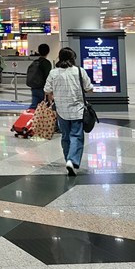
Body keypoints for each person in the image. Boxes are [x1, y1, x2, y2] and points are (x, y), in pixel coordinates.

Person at [44, 47, 93, 176]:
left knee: (65, 136)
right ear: (73, 58)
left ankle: (68, 160)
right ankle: (72, 160)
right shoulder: (79, 71)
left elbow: (47, 89)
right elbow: (89, 88)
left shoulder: (54, 73)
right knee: (76, 135)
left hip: (61, 110)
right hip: (77, 109)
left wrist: (56, 94)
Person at [26, 43, 52, 109]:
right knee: (45, 107)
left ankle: (30, 118)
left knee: (34, 106)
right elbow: (48, 76)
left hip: (34, 87)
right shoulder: (46, 63)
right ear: (48, 52)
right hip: (42, 88)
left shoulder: (35, 62)